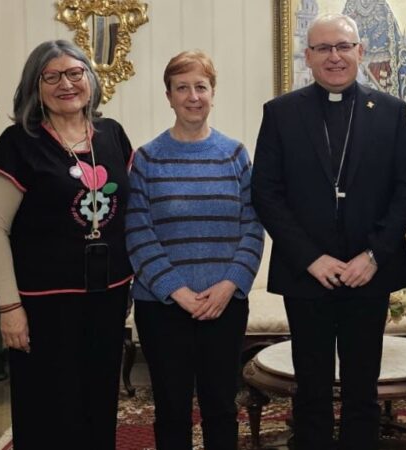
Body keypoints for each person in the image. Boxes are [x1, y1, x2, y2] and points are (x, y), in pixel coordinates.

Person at [251, 14, 406, 450]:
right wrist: (311, 257)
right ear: (307, 56)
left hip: (369, 273)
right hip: (307, 273)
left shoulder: (390, 111)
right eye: (323, 48)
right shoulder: (281, 113)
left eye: (343, 46)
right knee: (311, 386)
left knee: (362, 385)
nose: (334, 56)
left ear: (360, 52)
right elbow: (267, 194)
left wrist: (374, 255)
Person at [0, 40, 134, 449]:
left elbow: (128, 212)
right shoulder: (17, 144)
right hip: (42, 304)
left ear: (90, 78)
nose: (66, 84)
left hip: (107, 296)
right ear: (35, 86)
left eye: (74, 73)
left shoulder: (112, 134)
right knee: (47, 407)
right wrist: (10, 307)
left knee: (98, 403)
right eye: (52, 76)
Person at [125, 50, 264, 450]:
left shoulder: (235, 155)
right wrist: (179, 292)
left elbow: (253, 227)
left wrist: (228, 286)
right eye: (181, 88)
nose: (192, 96)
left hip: (225, 303)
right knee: (171, 408)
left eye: (200, 87)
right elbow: (137, 231)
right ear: (168, 96)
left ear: (212, 92)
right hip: (163, 306)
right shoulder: (148, 159)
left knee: (221, 405)